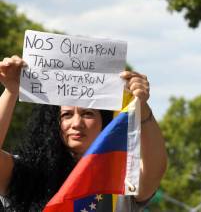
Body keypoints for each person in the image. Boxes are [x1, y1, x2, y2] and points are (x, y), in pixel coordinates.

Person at [0, 55, 168, 211]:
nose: (77, 123)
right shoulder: (27, 173)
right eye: (66, 115)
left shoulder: (121, 175)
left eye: (88, 113)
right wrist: (11, 91)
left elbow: (155, 170)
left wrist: (141, 105)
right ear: (52, 124)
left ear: (105, 122)